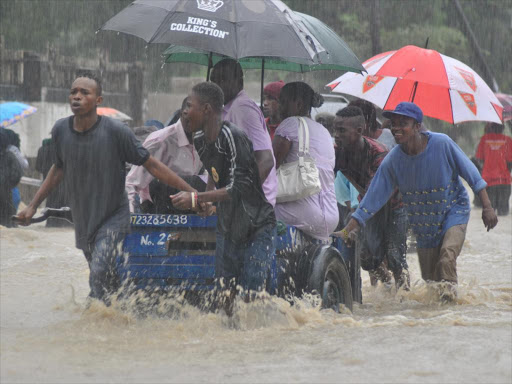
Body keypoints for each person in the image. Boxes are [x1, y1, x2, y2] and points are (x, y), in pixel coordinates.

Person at [16, 72, 197, 305]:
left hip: (114, 214)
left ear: (98, 100)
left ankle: (92, 318)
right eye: (73, 92)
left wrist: (191, 191)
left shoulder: (116, 131)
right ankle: (114, 316)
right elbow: (58, 168)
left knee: (100, 268)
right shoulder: (61, 130)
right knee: (104, 277)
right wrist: (32, 206)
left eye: (84, 93)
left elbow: (151, 165)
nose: (77, 97)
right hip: (83, 216)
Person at [337, 102, 498, 301]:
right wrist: (348, 228)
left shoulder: (442, 143)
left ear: (417, 126)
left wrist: (488, 207)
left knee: (447, 258)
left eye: (403, 123)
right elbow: (373, 197)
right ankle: (437, 320)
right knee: (432, 282)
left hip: (453, 211)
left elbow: (471, 174)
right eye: (394, 123)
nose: (396, 128)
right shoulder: (394, 159)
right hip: (424, 225)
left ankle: (452, 315)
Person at [171, 82, 276, 313]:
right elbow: (214, 173)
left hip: (256, 226)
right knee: (224, 297)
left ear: (207, 109)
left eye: (190, 105)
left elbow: (238, 188)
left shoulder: (233, 136)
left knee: (250, 296)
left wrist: (196, 198)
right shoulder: (199, 138)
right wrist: (207, 202)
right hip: (228, 226)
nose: (184, 111)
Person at [333, 106, 409, 289]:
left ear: (359, 131)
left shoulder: (379, 153)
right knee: (366, 259)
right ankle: (388, 285)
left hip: (395, 206)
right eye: (334, 130)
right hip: (368, 207)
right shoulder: (337, 152)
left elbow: (377, 193)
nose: (336, 135)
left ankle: (406, 299)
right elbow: (325, 182)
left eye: (341, 130)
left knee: (395, 257)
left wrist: (353, 222)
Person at [272, 82, 338, 243]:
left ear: (299, 104)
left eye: (283, 102)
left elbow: (268, 168)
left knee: (254, 214)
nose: (279, 107)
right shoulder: (323, 131)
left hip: (305, 214)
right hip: (332, 217)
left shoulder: (290, 124)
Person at [210, 58, 278, 207]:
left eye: (222, 79)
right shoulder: (226, 110)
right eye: (213, 80)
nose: (216, 85)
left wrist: (240, 198)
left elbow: (266, 161)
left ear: (238, 81)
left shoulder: (242, 109)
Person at [126, 97, 206, 214]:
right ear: (185, 115)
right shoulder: (161, 141)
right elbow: (131, 183)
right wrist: (133, 221)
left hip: (188, 209)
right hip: (157, 210)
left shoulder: (202, 143)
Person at [475, 122, 512, 216]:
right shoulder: (507, 140)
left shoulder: (484, 139)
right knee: (503, 214)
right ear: (503, 128)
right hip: (504, 181)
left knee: (490, 214)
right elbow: (509, 161)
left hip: (488, 181)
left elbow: (479, 159)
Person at [35, 138, 72, 227]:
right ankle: (63, 224)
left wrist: (46, 171)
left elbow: (38, 167)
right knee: (64, 202)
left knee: (51, 201)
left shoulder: (41, 149)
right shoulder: (64, 149)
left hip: (47, 181)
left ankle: (51, 223)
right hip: (62, 181)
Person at [0, 129, 22, 227]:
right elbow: (17, 173)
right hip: (6, 195)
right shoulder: (10, 156)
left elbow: (17, 173)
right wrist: (7, 185)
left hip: (6, 194)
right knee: (8, 224)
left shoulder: (9, 156)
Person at [4, 129, 28, 213]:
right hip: (9, 184)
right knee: (14, 199)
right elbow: (24, 164)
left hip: (7, 182)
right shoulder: (12, 150)